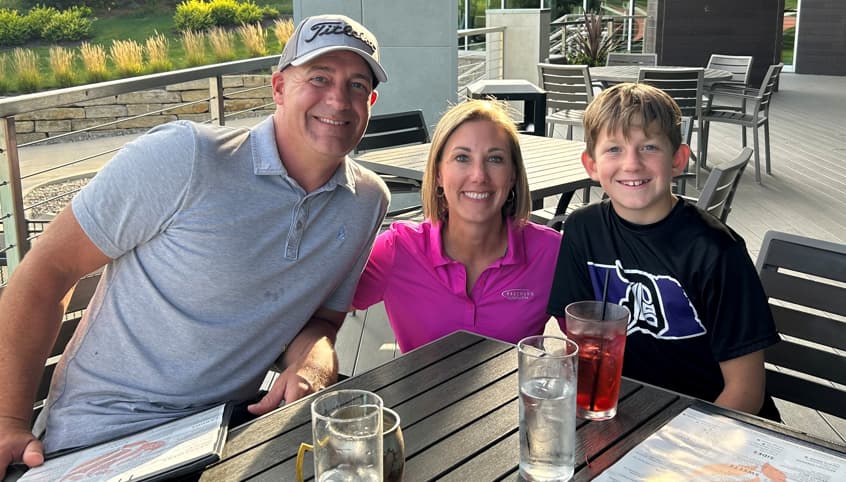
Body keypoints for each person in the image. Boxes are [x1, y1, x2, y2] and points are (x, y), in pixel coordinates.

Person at [0, 13, 390, 475]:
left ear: (371, 100)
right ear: (279, 88)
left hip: (225, 431)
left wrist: (313, 368)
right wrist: (9, 421)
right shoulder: (186, 158)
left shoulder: (365, 202)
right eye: (319, 77)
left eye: (355, 85)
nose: (338, 99)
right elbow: (47, 272)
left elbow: (322, 318)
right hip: (100, 438)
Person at [546, 82, 781, 420]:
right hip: (630, 414)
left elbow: (746, 391)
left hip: (718, 423)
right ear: (591, 165)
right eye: (613, 149)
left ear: (678, 160)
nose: (632, 164)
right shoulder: (582, 230)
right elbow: (580, 342)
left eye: (649, 147)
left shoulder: (715, 250)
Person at [352, 100, 562, 353]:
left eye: (495, 159)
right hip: (424, 392)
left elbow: (592, 339)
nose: (478, 176)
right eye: (462, 157)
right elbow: (320, 309)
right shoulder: (397, 249)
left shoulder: (551, 253)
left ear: (514, 174)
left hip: (514, 392)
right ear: (438, 173)